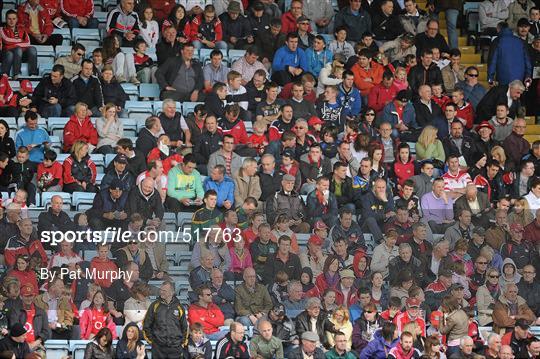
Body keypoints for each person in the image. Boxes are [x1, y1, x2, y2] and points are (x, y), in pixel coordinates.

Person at [143, 281, 189, 358]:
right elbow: (146, 325)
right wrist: (153, 342)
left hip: (176, 348)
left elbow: (184, 327)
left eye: (164, 290)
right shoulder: (154, 305)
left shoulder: (179, 307)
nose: (161, 292)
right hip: (158, 348)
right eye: (161, 290)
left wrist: (182, 343)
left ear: (172, 292)